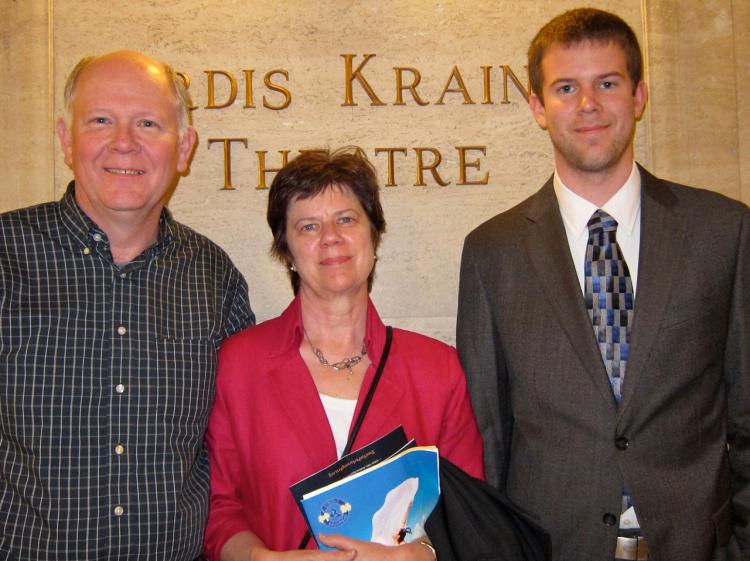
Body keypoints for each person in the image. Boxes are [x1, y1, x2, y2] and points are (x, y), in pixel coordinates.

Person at [457, 7, 749, 561]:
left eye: (607, 83)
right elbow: (488, 437)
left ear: (639, 96)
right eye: (566, 87)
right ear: (538, 108)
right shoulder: (491, 253)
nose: (588, 105)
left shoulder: (723, 232)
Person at [0, 51, 254, 560]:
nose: (124, 142)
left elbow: (240, 450)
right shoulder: (5, 256)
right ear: (66, 140)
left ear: (183, 148)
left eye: (147, 123)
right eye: (100, 120)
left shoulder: (214, 276)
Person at [204, 148, 484, 561]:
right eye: (309, 226)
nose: (330, 237)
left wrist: (419, 555)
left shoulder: (437, 370)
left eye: (347, 219)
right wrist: (260, 559)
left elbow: (470, 514)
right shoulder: (239, 364)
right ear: (287, 253)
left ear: (374, 237)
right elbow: (219, 506)